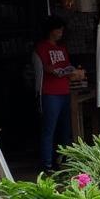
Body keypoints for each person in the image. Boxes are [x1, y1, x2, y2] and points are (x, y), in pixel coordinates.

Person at [34, 15, 74, 171]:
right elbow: (45, 67)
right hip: (50, 92)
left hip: (64, 90)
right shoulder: (42, 47)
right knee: (49, 129)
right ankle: (47, 163)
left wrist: (70, 71)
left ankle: (63, 161)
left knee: (65, 129)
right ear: (51, 30)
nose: (60, 33)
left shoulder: (61, 48)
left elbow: (67, 65)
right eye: (58, 30)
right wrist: (56, 70)